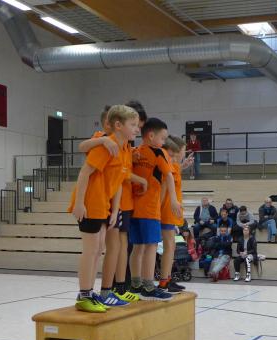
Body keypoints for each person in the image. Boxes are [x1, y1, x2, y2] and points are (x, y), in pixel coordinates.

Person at [68, 105, 139, 312]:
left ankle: (90, 293)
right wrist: (79, 203)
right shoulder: (106, 145)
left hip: (104, 205)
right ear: (118, 125)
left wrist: (115, 210)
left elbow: (118, 182)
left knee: (99, 249)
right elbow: (85, 173)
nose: (137, 129)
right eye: (133, 125)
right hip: (90, 203)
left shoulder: (124, 149)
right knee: (91, 250)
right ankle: (84, 295)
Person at [128, 117, 178, 301]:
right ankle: (148, 287)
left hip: (133, 208)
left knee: (138, 247)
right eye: (163, 138)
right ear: (151, 135)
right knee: (150, 247)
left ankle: (135, 285)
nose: (164, 142)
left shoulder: (134, 152)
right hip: (149, 209)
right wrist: (173, 200)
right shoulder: (158, 152)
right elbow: (169, 176)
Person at [158, 137, 192, 294]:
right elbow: (164, 188)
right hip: (166, 211)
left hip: (170, 212)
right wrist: (158, 210)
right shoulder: (169, 166)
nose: (184, 153)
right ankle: (164, 281)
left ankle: (167, 278)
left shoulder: (174, 166)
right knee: (169, 247)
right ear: (176, 151)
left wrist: (183, 166)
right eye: (183, 150)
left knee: (171, 247)